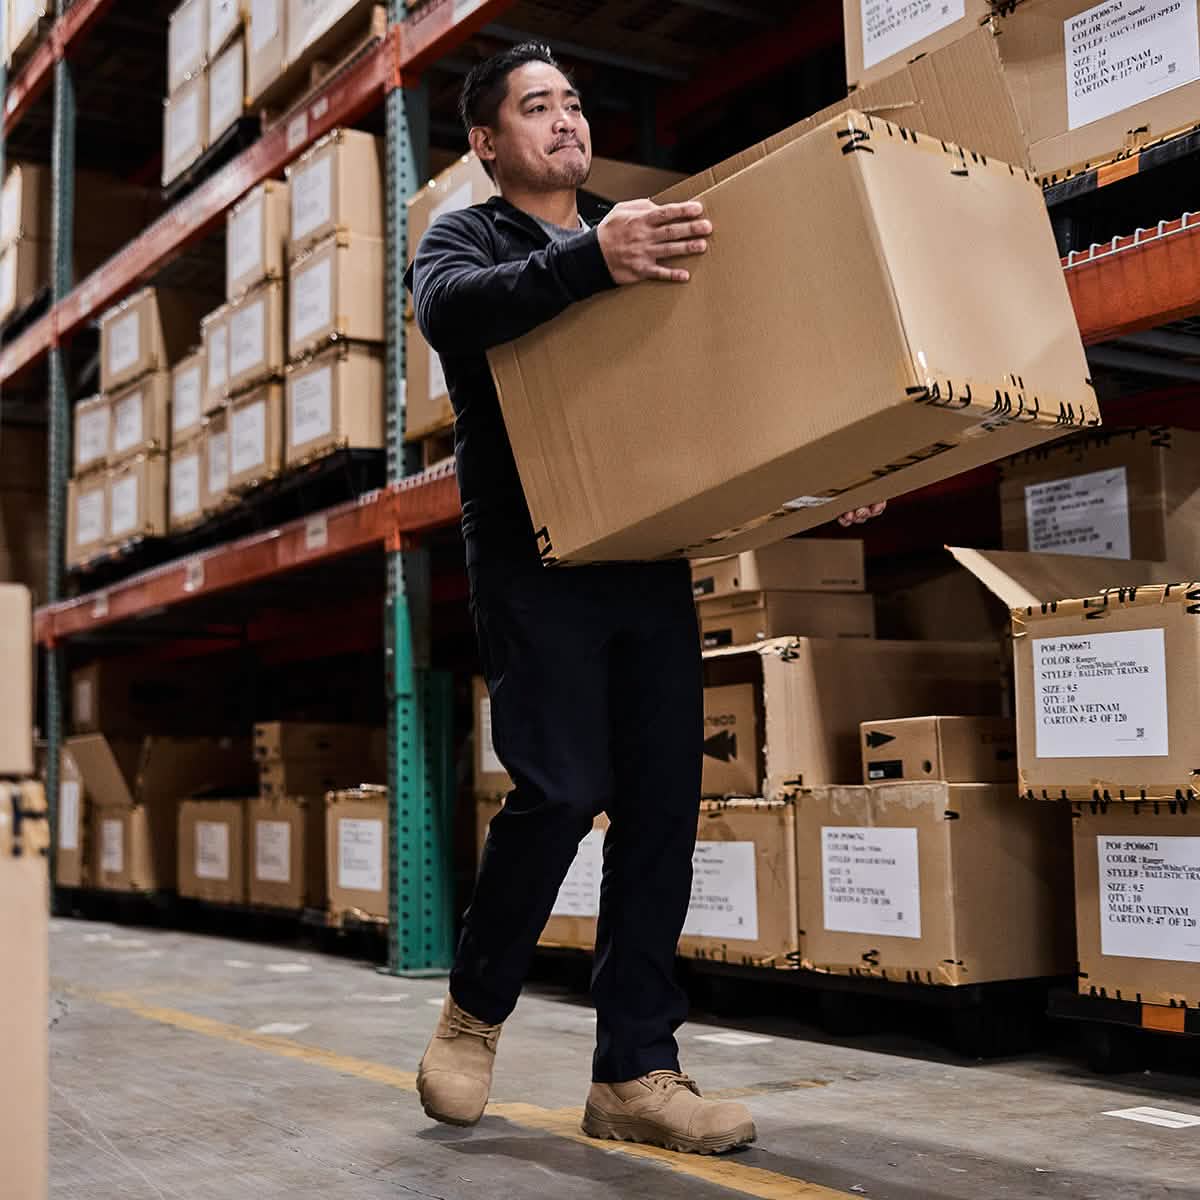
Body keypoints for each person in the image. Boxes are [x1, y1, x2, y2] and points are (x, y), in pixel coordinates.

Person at [407, 41, 881, 1156]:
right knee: (563, 787)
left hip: (648, 550)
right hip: (536, 554)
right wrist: (591, 262)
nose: (565, 120)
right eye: (536, 107)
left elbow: (715, 378)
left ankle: (636, 1072)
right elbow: (455, 315)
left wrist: (812, 481)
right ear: (488, 143)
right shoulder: (465, 237)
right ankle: (475, 1010)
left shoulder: (632, 222)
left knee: (667, 801)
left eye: (572, 102)